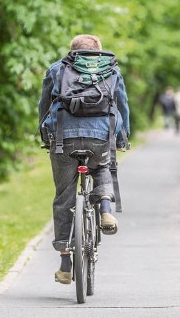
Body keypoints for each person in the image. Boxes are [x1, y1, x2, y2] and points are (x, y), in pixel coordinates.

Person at [38, 34, 130, 285]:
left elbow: (44, 105)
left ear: (73, 51)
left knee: (64, 197)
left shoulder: (58, 69)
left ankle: (66, 264)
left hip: (62, 140)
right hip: (101, 137)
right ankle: (106, 210)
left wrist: (45, 135)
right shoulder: (111, 70)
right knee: (103, 166)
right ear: (98, 52)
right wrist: (121, 139)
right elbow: (121, 106)